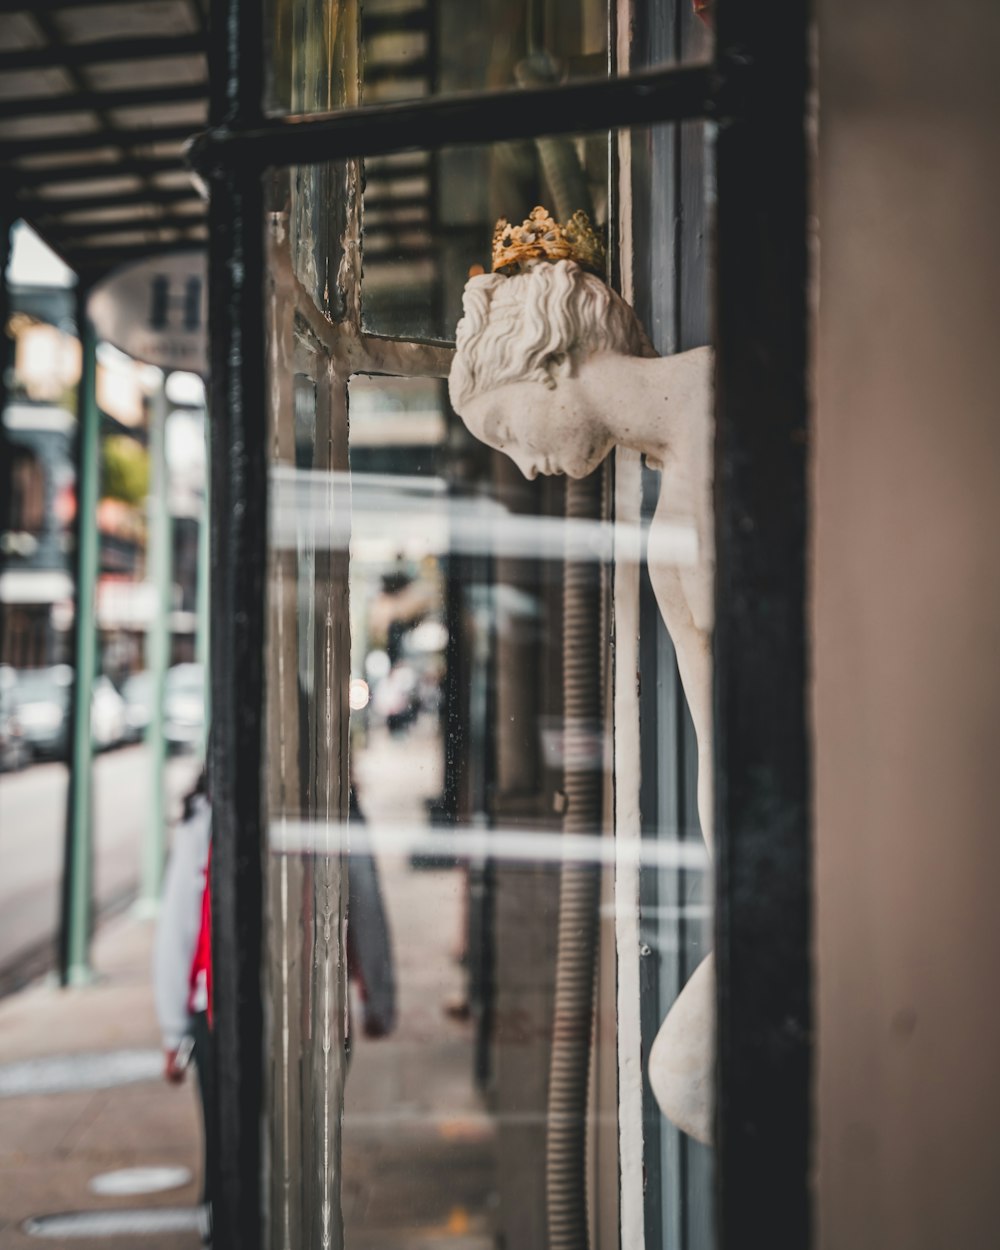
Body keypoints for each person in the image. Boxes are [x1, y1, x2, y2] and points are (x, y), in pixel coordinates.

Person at [449, 215, 716, 1143]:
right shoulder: (669, 473)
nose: (524, 462)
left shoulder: (731, 405)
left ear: (548, 358)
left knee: (687, 1078)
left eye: (507, 429)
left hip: (841, 846)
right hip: (772, 867)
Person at [152, 768, 215, 1237]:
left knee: (224, 1135)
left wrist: (174, 1033)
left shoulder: (203, 819)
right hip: (216, 1010)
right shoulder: (202, 821)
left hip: (210, 1009)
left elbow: (177, 926)